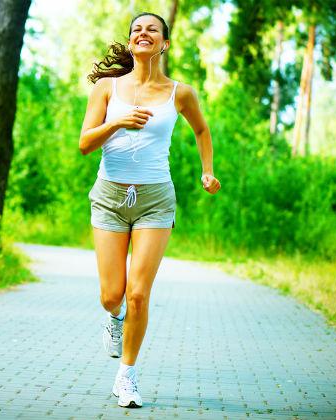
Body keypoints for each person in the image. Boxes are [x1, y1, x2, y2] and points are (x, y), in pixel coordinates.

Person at [78, 12, 221, 408]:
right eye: (137, 29)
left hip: (155, 199)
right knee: (113, 295)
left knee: (139, 294)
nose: (144, 33)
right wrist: (117, 122)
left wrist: (208, 170)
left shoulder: (181, 93)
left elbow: (202, 130)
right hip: (110, 197)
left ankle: (126, 376)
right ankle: (114, 316)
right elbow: (85, 144)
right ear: (130, 41)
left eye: (152, 29)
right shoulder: (107, 89)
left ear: (164, 44)